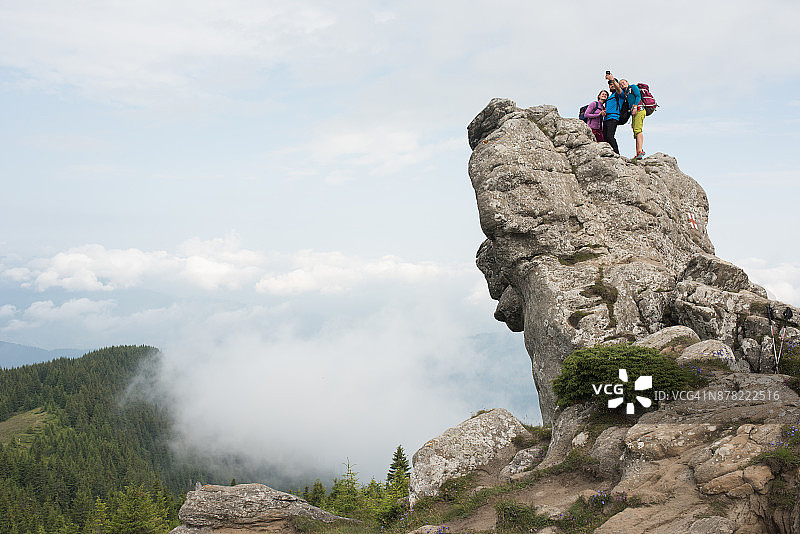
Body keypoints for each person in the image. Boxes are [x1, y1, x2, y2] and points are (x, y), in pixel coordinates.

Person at [619, 79, 646, 159]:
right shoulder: (626, 92)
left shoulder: (633, 87)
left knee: (638, 130)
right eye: (620, 84)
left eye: (623, 82)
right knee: (635, 132)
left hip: (639, 110)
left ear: (627, 83)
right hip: (635, 113)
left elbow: (638, 96)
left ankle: (640, 151)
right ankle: (638, 153)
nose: (622, 84)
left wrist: (635, 106)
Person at [603, 73, 625, 154]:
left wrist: (612, 79)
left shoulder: (619, 94)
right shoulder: (609, 97)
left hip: (613, 118)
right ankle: (609, 153)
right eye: (610, 84)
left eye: (613, 84)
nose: (611, 85)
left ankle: (617, 154)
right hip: (606, 119)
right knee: (605, 138)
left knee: (610, 136)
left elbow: (618, 88)